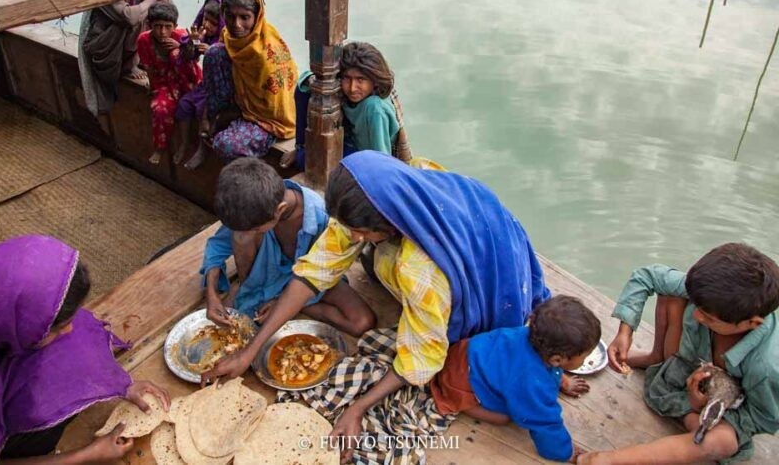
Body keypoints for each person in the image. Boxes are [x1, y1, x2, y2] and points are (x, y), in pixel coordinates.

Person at [203, 150, 551, 460]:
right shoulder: (395, 185)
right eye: (350, 229)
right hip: (485, 238)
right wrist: (249, 352)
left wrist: (357, 408)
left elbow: (420, 359)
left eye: (361, 232)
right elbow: (314, 273)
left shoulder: (420, 272)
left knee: (463, 382)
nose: (353, 239)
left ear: (390, 220)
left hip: (496, 278)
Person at [0, 235, 170, 464]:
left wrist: (116, 382)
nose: (69, 328)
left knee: (72, 343)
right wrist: (87, 455)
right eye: (58, 326)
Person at [581, 243, 779, 464]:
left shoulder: (768, 367)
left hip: (722, 403)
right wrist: (625, 331)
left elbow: (761, 417)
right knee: (672, 294)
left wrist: (702, 405)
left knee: (723, 443)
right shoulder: (716, 299)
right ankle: (656, 357)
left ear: (752, 323)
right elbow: (648, 276)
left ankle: (607, 459)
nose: (696, 317)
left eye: (708, 318)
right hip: (689, 367)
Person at [200, 158, 375, 336]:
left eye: (256, 228)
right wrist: (211, 294)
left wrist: (281, 301)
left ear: (280, 209)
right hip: (264, 275)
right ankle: (248, 288)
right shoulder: (250, 204)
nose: (253, 231)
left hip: (308, 279)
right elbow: (217, 246)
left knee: (361, 322)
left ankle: (294, 305)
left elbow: (321, 275)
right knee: (241, 236)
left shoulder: (321, 218)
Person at [431, 295, 599, 462]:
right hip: (458, 381)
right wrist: (564, 451)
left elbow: (549, 366)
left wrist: (563, 380)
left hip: (464, 352)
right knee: (504, 418)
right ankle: (463, 405)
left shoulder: (533, 335)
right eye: (583, 357)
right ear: (557, 360)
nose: (583, 360)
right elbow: (544, 422)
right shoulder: (533, 382)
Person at [203, 0, 297, 162]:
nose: (236, 24)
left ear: (257, 16)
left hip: (267, 119)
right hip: (242, 101)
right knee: (213, 53)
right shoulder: (229, 35)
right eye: (230, 16)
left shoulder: (266, 56)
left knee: (225, 145)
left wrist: (243, 114)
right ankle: (214, 117)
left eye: (245, 17)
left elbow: (277, 108)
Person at [280, 42, 412, 170]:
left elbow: (381, 161)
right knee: (304, 90)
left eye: (361, 79)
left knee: (311, 161)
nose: (352, 88)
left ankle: (302, 154)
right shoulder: (343, 90)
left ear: (374, 80)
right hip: (351, 144)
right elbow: (303, 84)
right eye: (347, 78)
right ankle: (301, 148)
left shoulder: (374, 109)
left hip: (367, 160)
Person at [78, 0, 169, 134]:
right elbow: (130, 17)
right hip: (102, 51)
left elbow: (168, 8)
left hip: (121, 49)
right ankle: (129, 66)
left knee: (151, 15)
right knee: (134, 19)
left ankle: (137, 60)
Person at [136, 1, 203, 165]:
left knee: (175, 54)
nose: (163, 32)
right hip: (164, 82)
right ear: (149, 25)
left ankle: (189, 146)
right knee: (160, 109)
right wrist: (153, 88)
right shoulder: (144, 40)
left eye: (167, 26)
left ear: (175, 25)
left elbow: (195, 58)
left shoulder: (180, 36)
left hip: (187, 78)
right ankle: (160, 146)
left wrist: (182, 46)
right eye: (158, 26)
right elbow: (149, 68)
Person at [175, 0, 224, 168]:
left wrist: (212, 51)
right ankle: (183, 143)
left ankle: (202, 148)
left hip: (221, 89)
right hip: (206, 85)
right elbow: (188, 57)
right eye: (205, 19)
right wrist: (194, 41)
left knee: (202, 110)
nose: (207, 25)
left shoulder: (226, 41)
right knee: (184, 104)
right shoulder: (204, 35)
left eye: (213, 22)